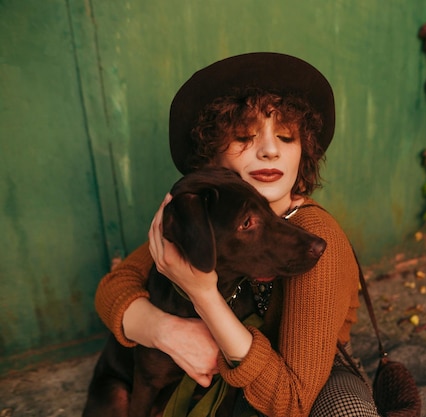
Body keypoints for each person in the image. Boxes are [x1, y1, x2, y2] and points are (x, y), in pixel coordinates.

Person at [95, 52, 379, 417]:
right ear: (214, 157)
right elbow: (113, 288)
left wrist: (201, 294)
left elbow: (291, 401)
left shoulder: (313, 234)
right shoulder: (212, 216)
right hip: (227, 379)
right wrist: (166, 331)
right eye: (244, 136)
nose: (270, 150)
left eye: (287, 137)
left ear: (303, 150)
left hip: (302, 380)